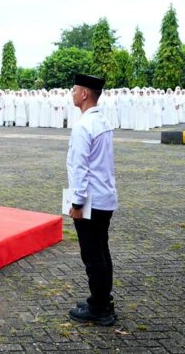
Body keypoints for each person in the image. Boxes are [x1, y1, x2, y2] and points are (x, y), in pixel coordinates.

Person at [66, 73, 118, 327]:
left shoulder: (83, 126)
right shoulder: (102, 121)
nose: (72, 93)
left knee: (93, 255)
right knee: (102, 252)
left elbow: (80, 168)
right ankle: (101, 300)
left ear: (85, 93)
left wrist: (76, 203)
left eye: (75, 89)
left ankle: (99, 309)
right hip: (104, 197)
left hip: (90, 200)